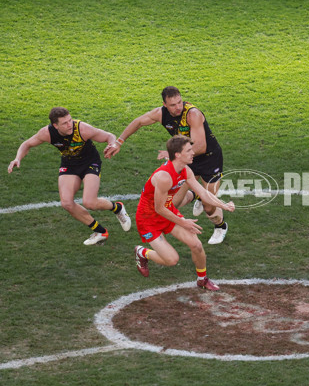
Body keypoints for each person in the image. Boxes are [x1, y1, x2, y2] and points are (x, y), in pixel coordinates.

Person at [104, 86, 228, 245]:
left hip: (208, 159)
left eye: (179, 102)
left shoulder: (193, 114)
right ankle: (196, 194)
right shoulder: (160, 113)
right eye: (172, 105)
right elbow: (139, 121)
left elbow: (201, 146)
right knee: (173, 203)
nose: (178, 107)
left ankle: (220, 226)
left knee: (209, 206)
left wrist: (174, 156)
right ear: (164, 104)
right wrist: (119, 142)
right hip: (185, 159)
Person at [7, 107, 131, 245]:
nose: (69, 124)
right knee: (66, 203)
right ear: (55, 125)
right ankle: (100, 231)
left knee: (90, 202)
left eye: (70, 120)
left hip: (90, 162)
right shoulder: (47, 133)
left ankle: (117, 208)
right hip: (69, 165)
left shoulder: (82, 129)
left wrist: (112, 144)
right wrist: (18, 158)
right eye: (64, 123)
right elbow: (27, 144)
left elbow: (109, 136)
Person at [133, 135, 235, 291]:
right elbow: (159, 209)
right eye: (188, 150)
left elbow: (203, 192)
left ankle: (202, 279)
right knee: (172, 260)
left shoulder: (185, 170)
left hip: (168, 212)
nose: (193, 153)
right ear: (178, 155)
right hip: (149, 220)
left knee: (196, 245)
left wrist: (223, 205)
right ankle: (142, 252)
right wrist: (183, 222)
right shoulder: (164, 177)